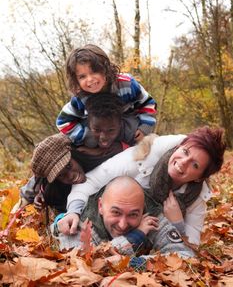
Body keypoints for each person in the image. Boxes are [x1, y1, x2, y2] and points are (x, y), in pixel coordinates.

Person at [56, 126, 226, 246]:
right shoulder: (142, 159)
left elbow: (191, 246)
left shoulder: (194, 197)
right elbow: (92, 180)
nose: (182, 163)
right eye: (185, 152)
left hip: (141, 238)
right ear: (179, 146)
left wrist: (178, 224)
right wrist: (73, 211)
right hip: (103, 220)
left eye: (195, 165)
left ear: (199, 178)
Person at [12, 93, 130, 213]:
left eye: (69, 166)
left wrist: (119, 147)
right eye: (61, 175)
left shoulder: (94, 150)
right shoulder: (56, 186)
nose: (71, 175)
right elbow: (40, 176)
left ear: (73, 154)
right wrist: (40, 196)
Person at [52, 176, 194, 258]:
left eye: (133, 214)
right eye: (116, 212)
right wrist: (133, 237)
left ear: (142, 208)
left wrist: (137, 263)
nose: (123, 224)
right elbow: (80, 265)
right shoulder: (78, 223)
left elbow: (186, 257)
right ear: (101, 206)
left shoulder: (151, 216)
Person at [56, 44, 157, 146]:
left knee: (144, 142)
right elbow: (63, 122)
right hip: (98, 137)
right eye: (82, 76)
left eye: (94, 72)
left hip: (127, 127)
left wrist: (144, 127)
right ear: (76, 80)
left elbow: (148, 103)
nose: (90, 79)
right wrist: (86, 136)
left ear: (105, 69)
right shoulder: (80, 98)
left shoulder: (127, 84)